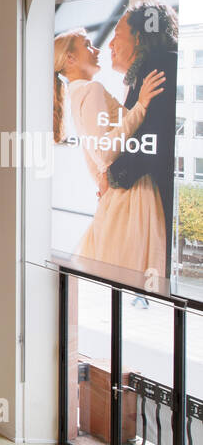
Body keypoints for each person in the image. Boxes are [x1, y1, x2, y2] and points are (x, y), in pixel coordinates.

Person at [53, 20, 168, 281]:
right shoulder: (90, 89)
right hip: (130, 193)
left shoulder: (75, 94)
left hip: (116, 194)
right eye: (88, 45)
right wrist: (141, 105)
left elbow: (92, 154)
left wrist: (102, 181)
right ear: (71, 58)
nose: (97, 49)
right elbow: (102, 153)